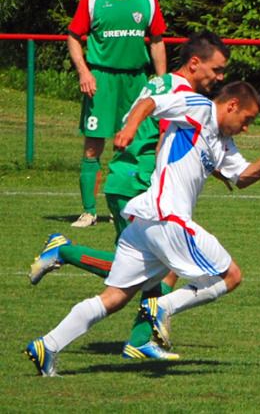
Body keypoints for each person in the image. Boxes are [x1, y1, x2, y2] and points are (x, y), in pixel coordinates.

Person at [25, 81, 260, 376]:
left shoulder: (223, 143)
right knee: (231, 276)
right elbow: (151, 103)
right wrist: (129, 129)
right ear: (232, 105)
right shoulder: (200, 107)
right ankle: (162, 307)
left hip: (147, 223)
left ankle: (47, 345)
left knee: (114, 298)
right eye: (247, 119)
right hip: (167, 217)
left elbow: (241, 177)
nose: (246, 128)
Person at [28, 31, 230, 360]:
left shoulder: (161, 82)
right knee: (139, 273)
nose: (219, 78)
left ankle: (140, 339)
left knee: (154, 269)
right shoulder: (180, 91)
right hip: (138, 180)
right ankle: (65, 252)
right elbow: (169, 134)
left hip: (133, 178)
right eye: (217, 69)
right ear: (195, 64)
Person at [68, 0, 167, 227]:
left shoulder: (147, 0)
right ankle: (88, 210)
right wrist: (84, 72)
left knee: (132, 144)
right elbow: (74, 37)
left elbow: (158, 41)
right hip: (102, 80)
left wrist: (161, 81)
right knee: (93, 145)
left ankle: (123, 206)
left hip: (136, 80)